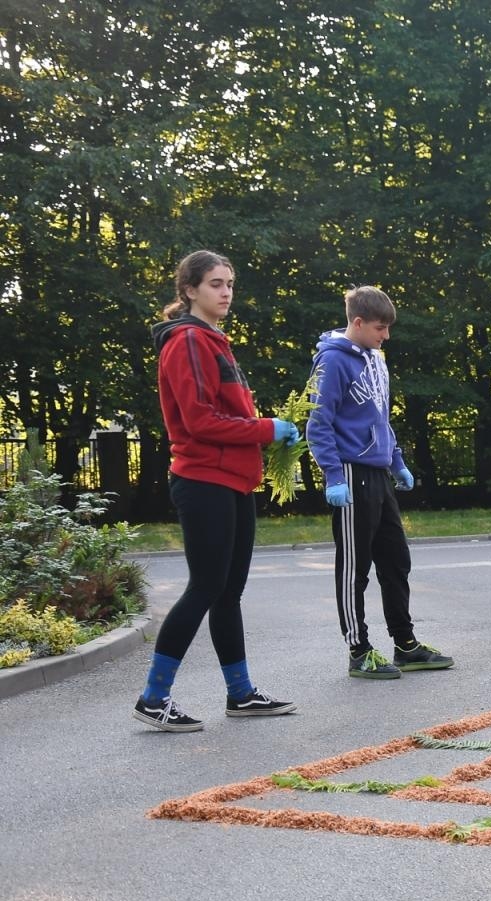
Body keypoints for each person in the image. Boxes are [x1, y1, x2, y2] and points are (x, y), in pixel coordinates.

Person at [133, 250, 300, 732]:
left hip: (232, 481)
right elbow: (200, 420)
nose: (226, 292)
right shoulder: (186, 340)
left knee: (228, 593)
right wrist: (266, 429)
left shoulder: (213, 340)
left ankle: (241, 694)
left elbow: (226, 415)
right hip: (202, 479)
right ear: (188, 290)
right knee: (206, 587)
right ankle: (153, 697)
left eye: (229, 283)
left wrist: (260, 432)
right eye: (214, 284)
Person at [307, 286, 453, 680]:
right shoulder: (332, 363)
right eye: (379, 327)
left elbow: (380, 418)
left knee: (396, 560)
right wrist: (333, 476)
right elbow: (318, 423)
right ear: (357, 322)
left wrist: (397, 462)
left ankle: (405, 644)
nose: (385, 335)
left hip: (379, 473)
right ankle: (359, 650)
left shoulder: (376, 359)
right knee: (355, 567)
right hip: (351, 475)